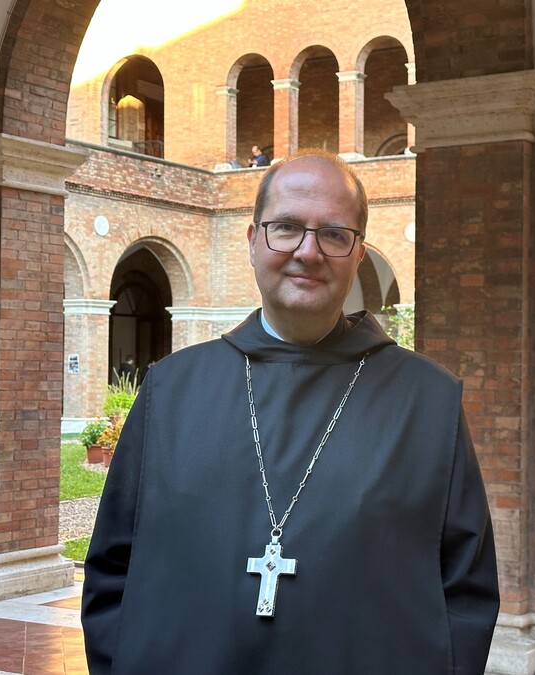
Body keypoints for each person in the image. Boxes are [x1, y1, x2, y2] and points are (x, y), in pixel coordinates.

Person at [81, 150, 500, 673]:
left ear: (359, 253)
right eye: (286, 228)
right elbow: (112, 571)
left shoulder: (428, 401)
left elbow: (465, 591)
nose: (308, 251)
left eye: (334, 234)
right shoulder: (170, 389)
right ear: (252, 240)